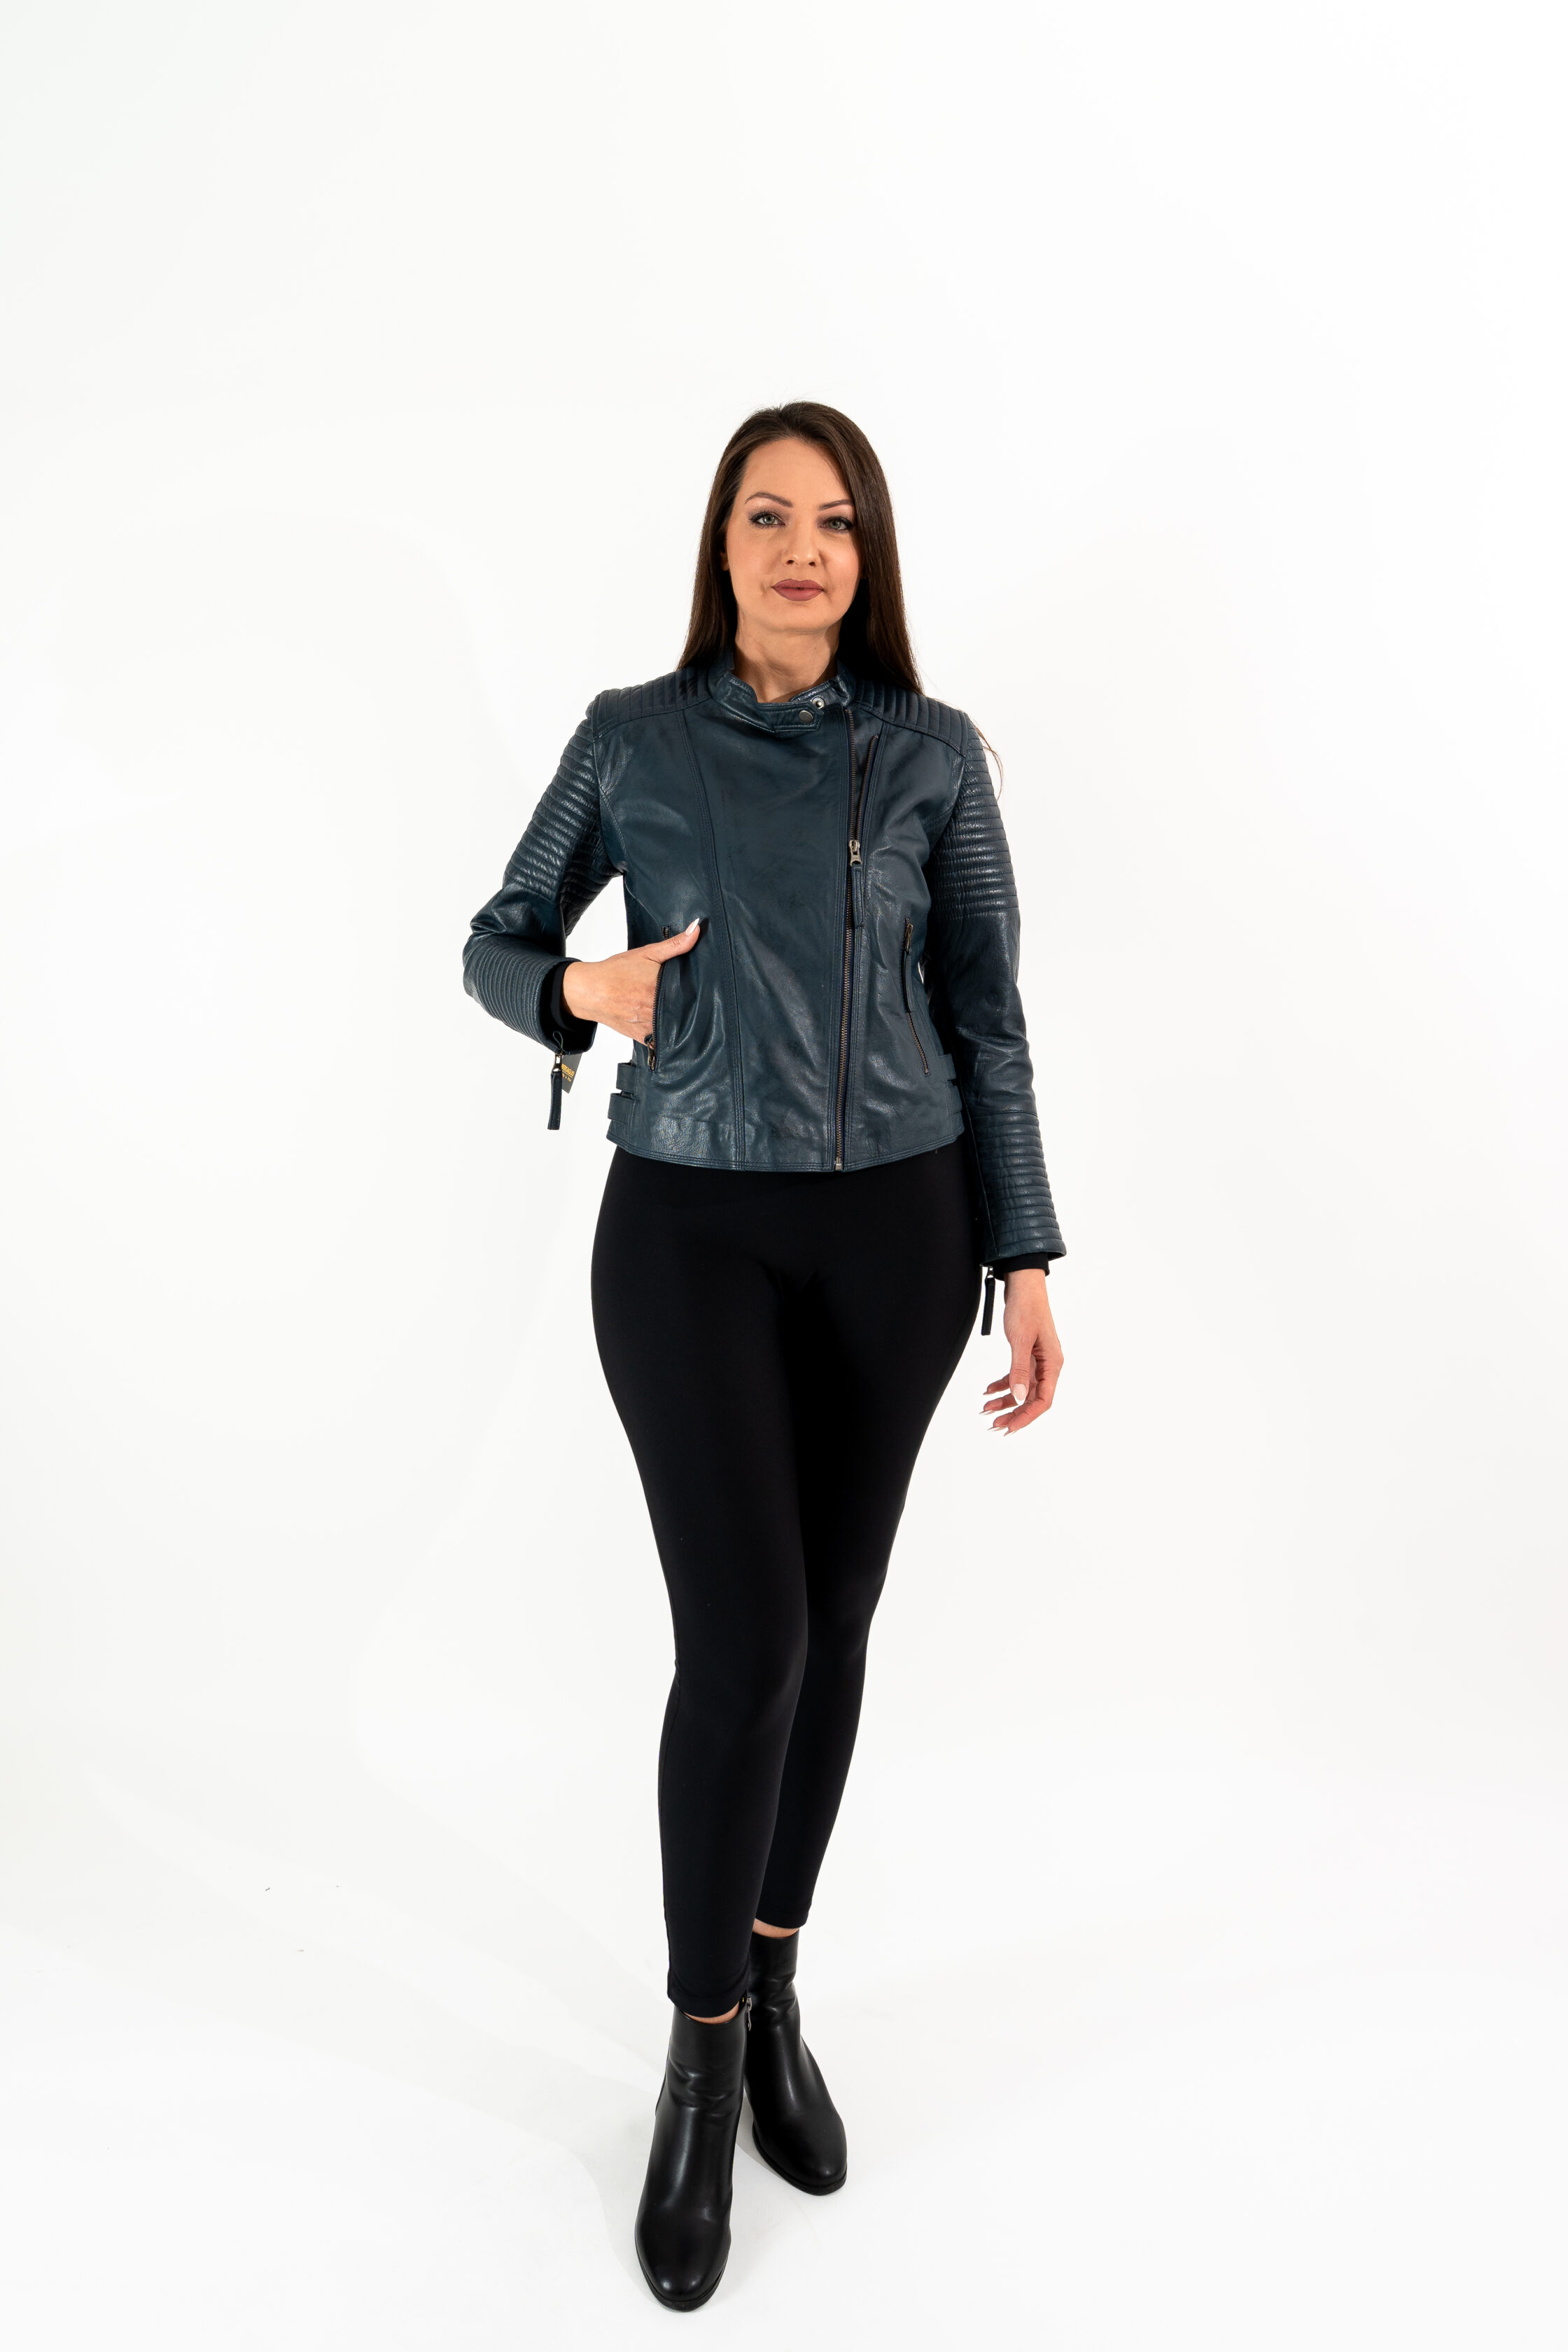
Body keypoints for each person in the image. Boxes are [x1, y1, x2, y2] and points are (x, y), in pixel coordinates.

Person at [463, 402, 1065, 2310]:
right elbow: (495, 938)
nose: (804, 549)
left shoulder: (936, 755)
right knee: (748, 1647)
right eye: (766, 516)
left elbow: (988, 1013)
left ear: (868, 554)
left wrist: (1025, 1248)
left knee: (841, 1624)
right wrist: (575, 986)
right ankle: (703, 2059)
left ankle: (777, 1983)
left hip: (903, 1233)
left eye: (836, 522)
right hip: (690, 1230)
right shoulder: (631, 739)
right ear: (720, 546)